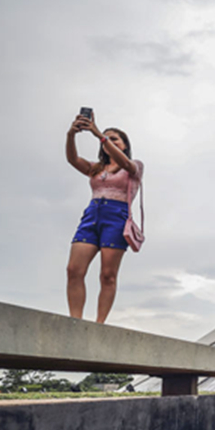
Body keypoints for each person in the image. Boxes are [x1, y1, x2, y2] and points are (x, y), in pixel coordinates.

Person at [65, 111, 144, 323]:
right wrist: (71, 134)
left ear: (124, 145)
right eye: (107, 139)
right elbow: (73, 159)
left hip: (116, 217)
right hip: (92, 215)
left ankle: (99, 324)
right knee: (74, 269)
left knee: (107, 275)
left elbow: (126, 164)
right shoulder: (96, 168)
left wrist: (99, 134)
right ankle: (75, 320)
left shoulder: (135, 165)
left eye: (114, 139)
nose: (109, 141)